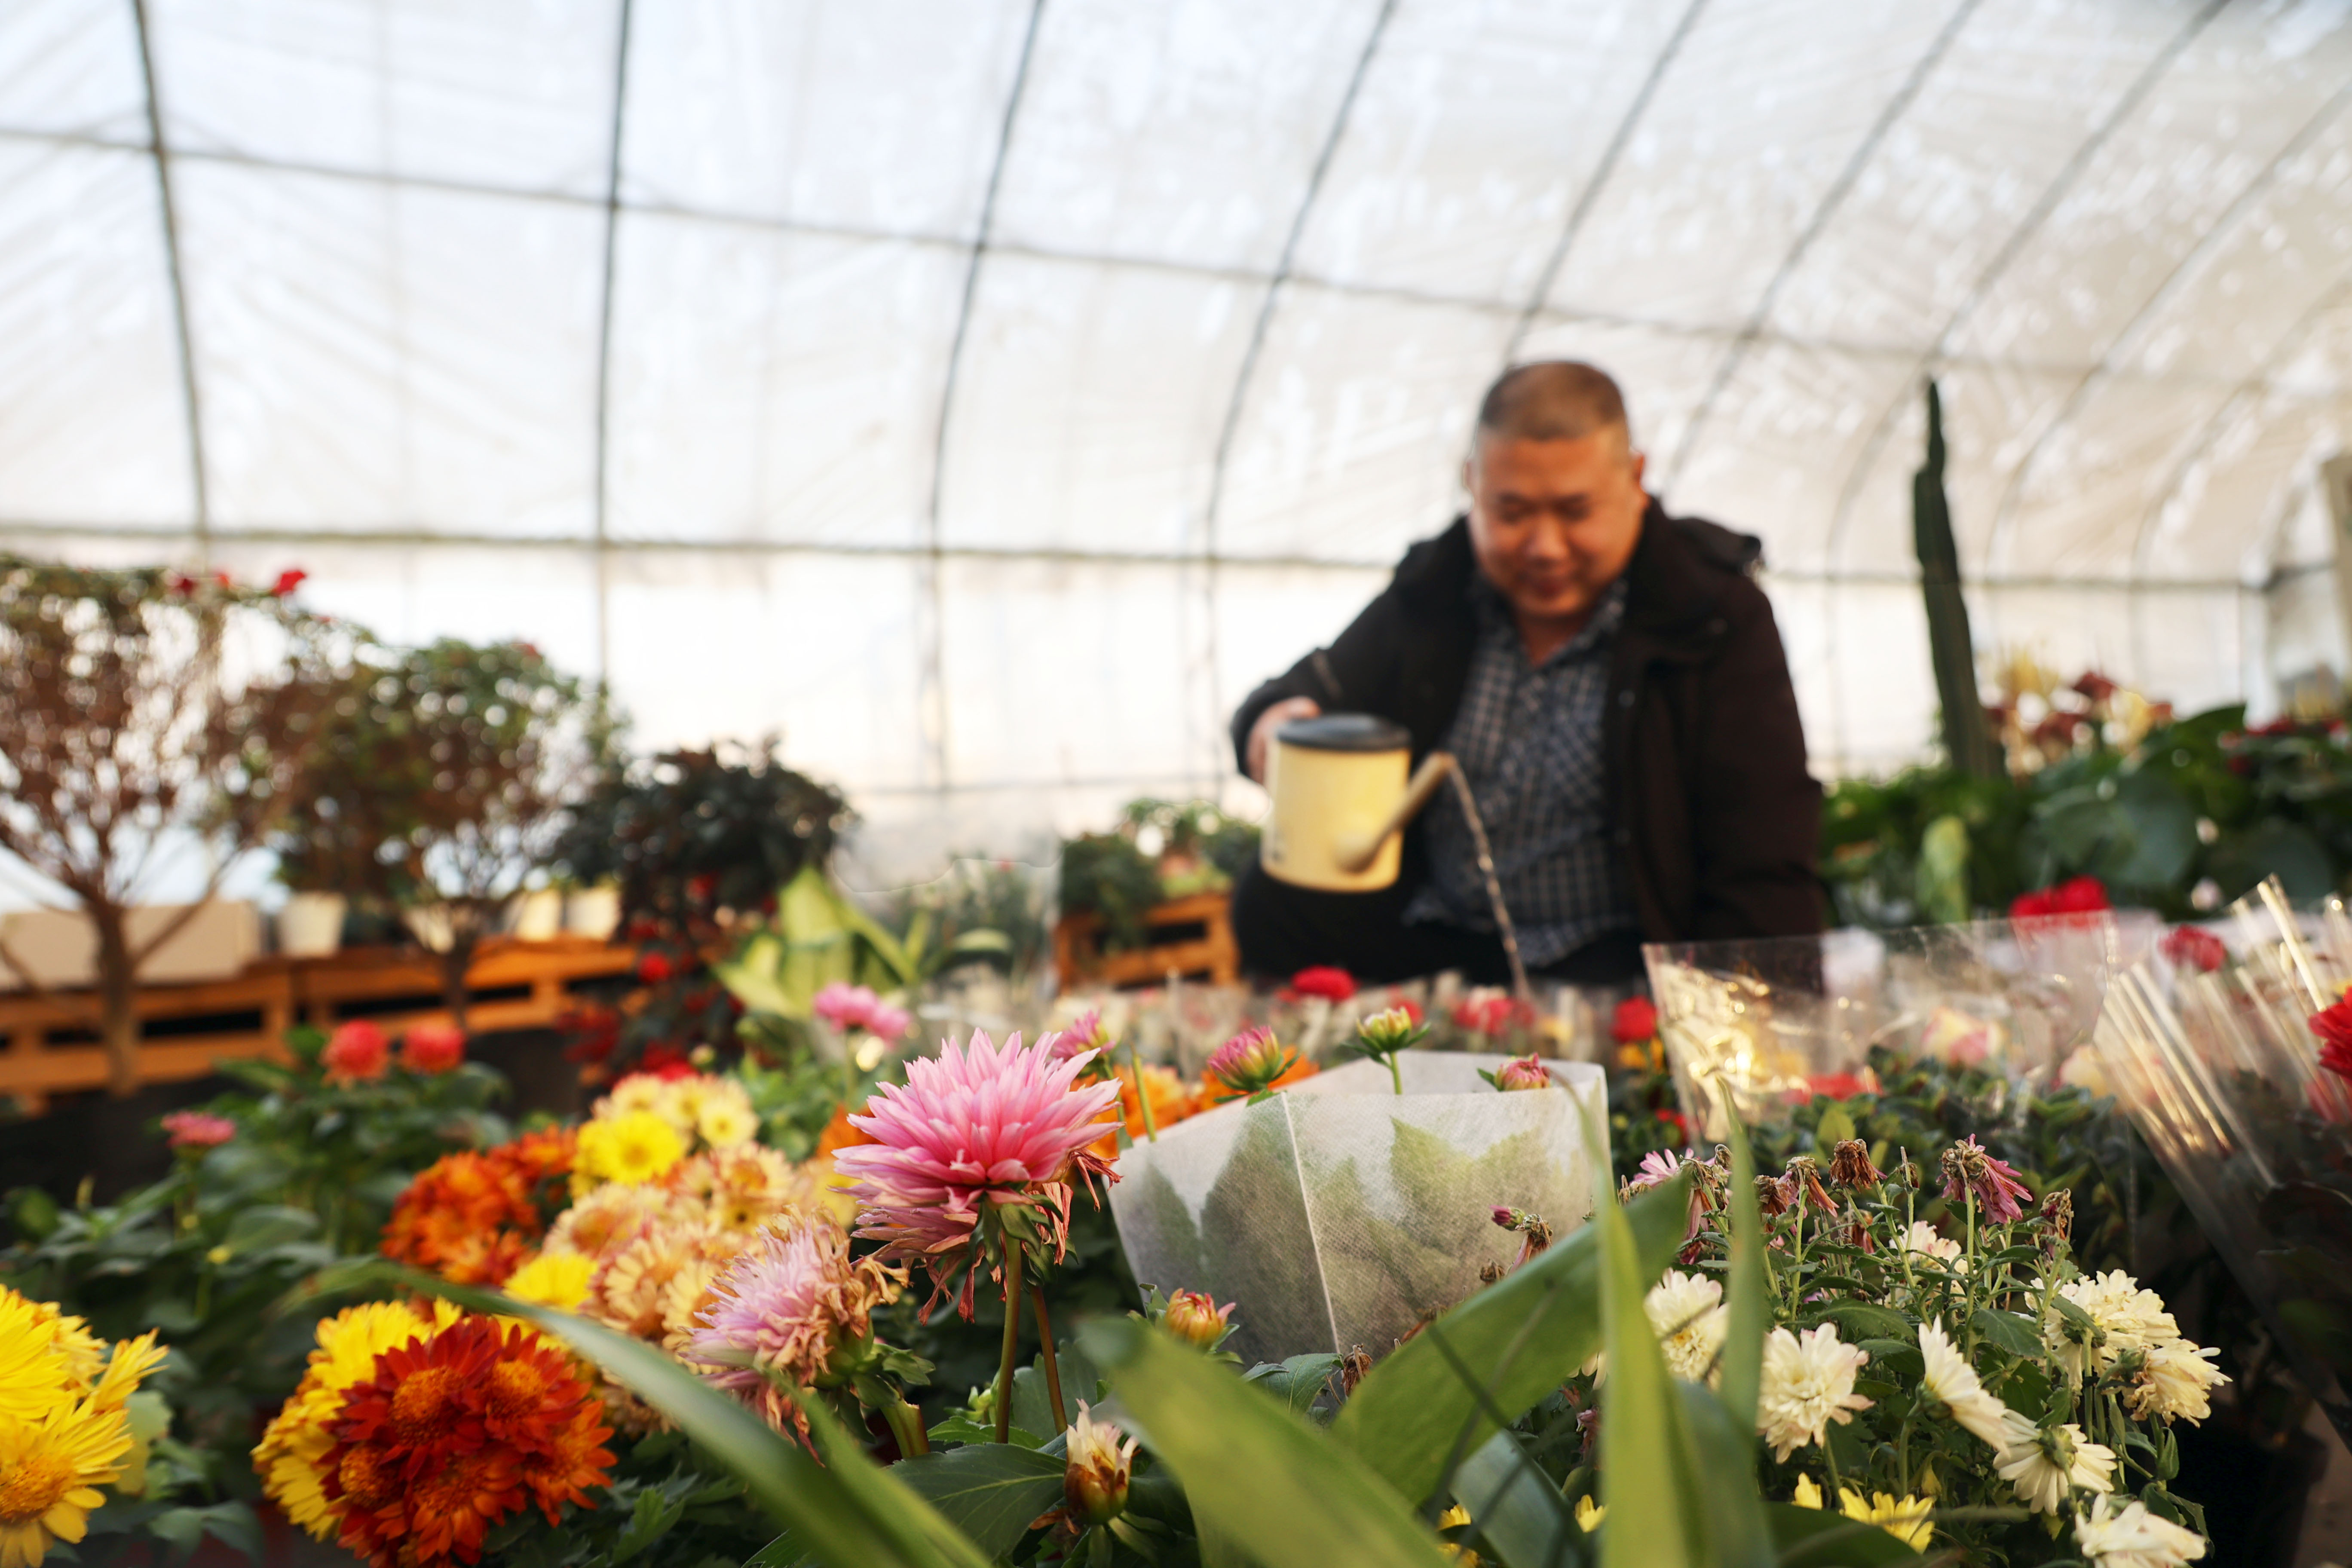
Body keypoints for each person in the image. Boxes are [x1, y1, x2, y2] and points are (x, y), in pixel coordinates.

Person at [1228, 361, 1822, 986]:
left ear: (1635, 478)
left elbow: (1763, 850)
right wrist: (1270, 726)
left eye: (1575, 510)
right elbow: (1308, 690)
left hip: (1621, 969)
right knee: (1269, 899)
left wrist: (1748, 1019)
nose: (1545, 547)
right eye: (1511, 512)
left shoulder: (1710, 616)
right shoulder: (1438, 590)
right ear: (1472, 485)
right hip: (1439, 953)